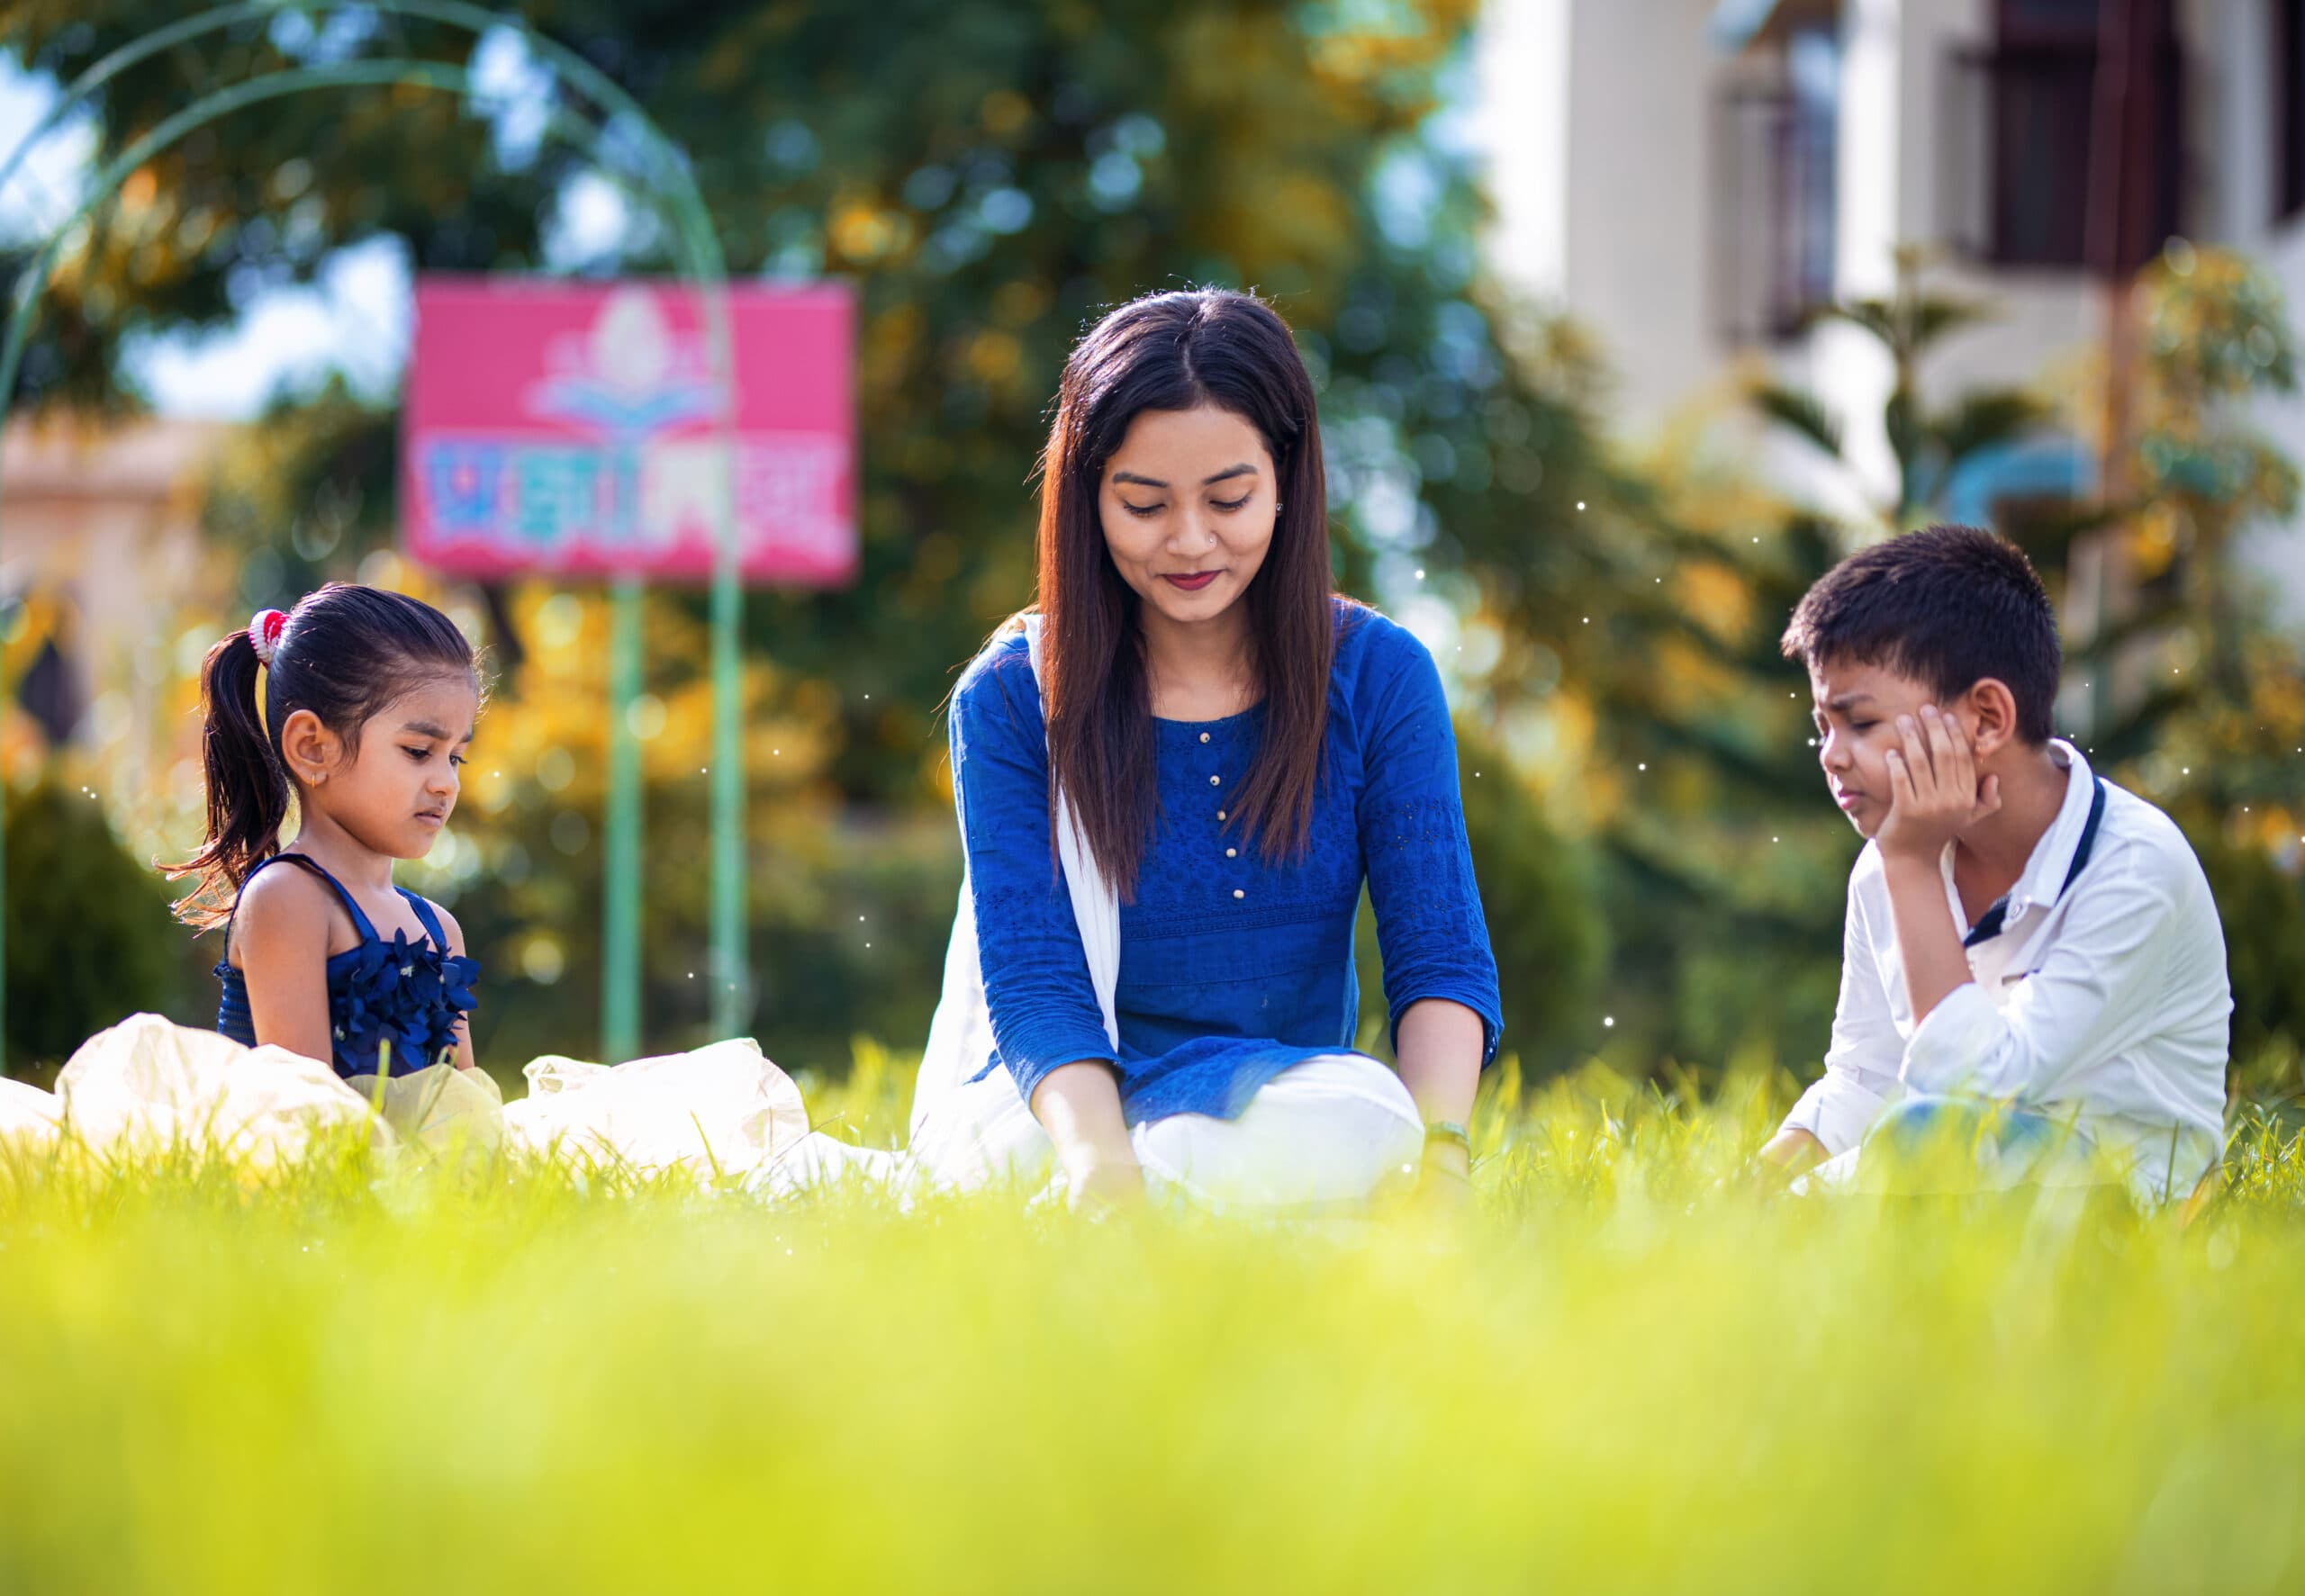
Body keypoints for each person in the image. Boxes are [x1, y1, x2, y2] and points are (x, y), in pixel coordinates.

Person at [910, 287, 1503, 1210]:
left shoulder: (1379, 678)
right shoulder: (1012, 697)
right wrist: (1103, 1174)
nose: (1191, 541)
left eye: (1229, 499)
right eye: (1143, 505)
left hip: (1277, 1097)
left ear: (1286, 480)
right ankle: (1137, 1198)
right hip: (1055, 1110)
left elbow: (1437, 952)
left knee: (1376, 1119)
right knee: (1027, 1167)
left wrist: (1444, 1165)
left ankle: (1155, 1195)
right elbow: (1035, 980)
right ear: (1085, 499)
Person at [1754, 526, 2230, 1201]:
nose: (1830, 754)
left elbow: (1981, 1091)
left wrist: (1913, 868)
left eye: (1858, 723)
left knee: (1921, 1140)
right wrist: (1752, 1186)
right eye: (1822, 726)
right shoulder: (1890, 863)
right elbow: (1866, 1075)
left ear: (1985, 718)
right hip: (1948, 1159)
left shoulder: (2134, 867)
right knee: (1768, 1220)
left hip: (2113, 1198)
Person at [167, 584, 484, 1080]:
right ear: (313, 748)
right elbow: (308, 1116)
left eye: (456, 757)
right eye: (419, 751)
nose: (446, 782)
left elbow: (469, 1110)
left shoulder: (440, 931)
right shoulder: (287, 900)